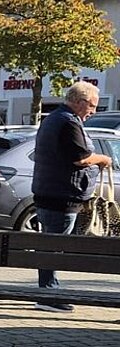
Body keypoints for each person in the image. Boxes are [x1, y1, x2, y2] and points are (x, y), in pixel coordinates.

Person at [31, 81, 113, 313]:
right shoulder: (68, 122)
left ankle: (47, 291)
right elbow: (80, 158)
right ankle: (48, 295)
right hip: (61, 195)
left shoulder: (53, 119)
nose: (93, 112)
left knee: (50, 243)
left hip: (49, 192)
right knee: (55, 246)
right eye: (93, 106)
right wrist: (102, 159)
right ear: (80, 101)